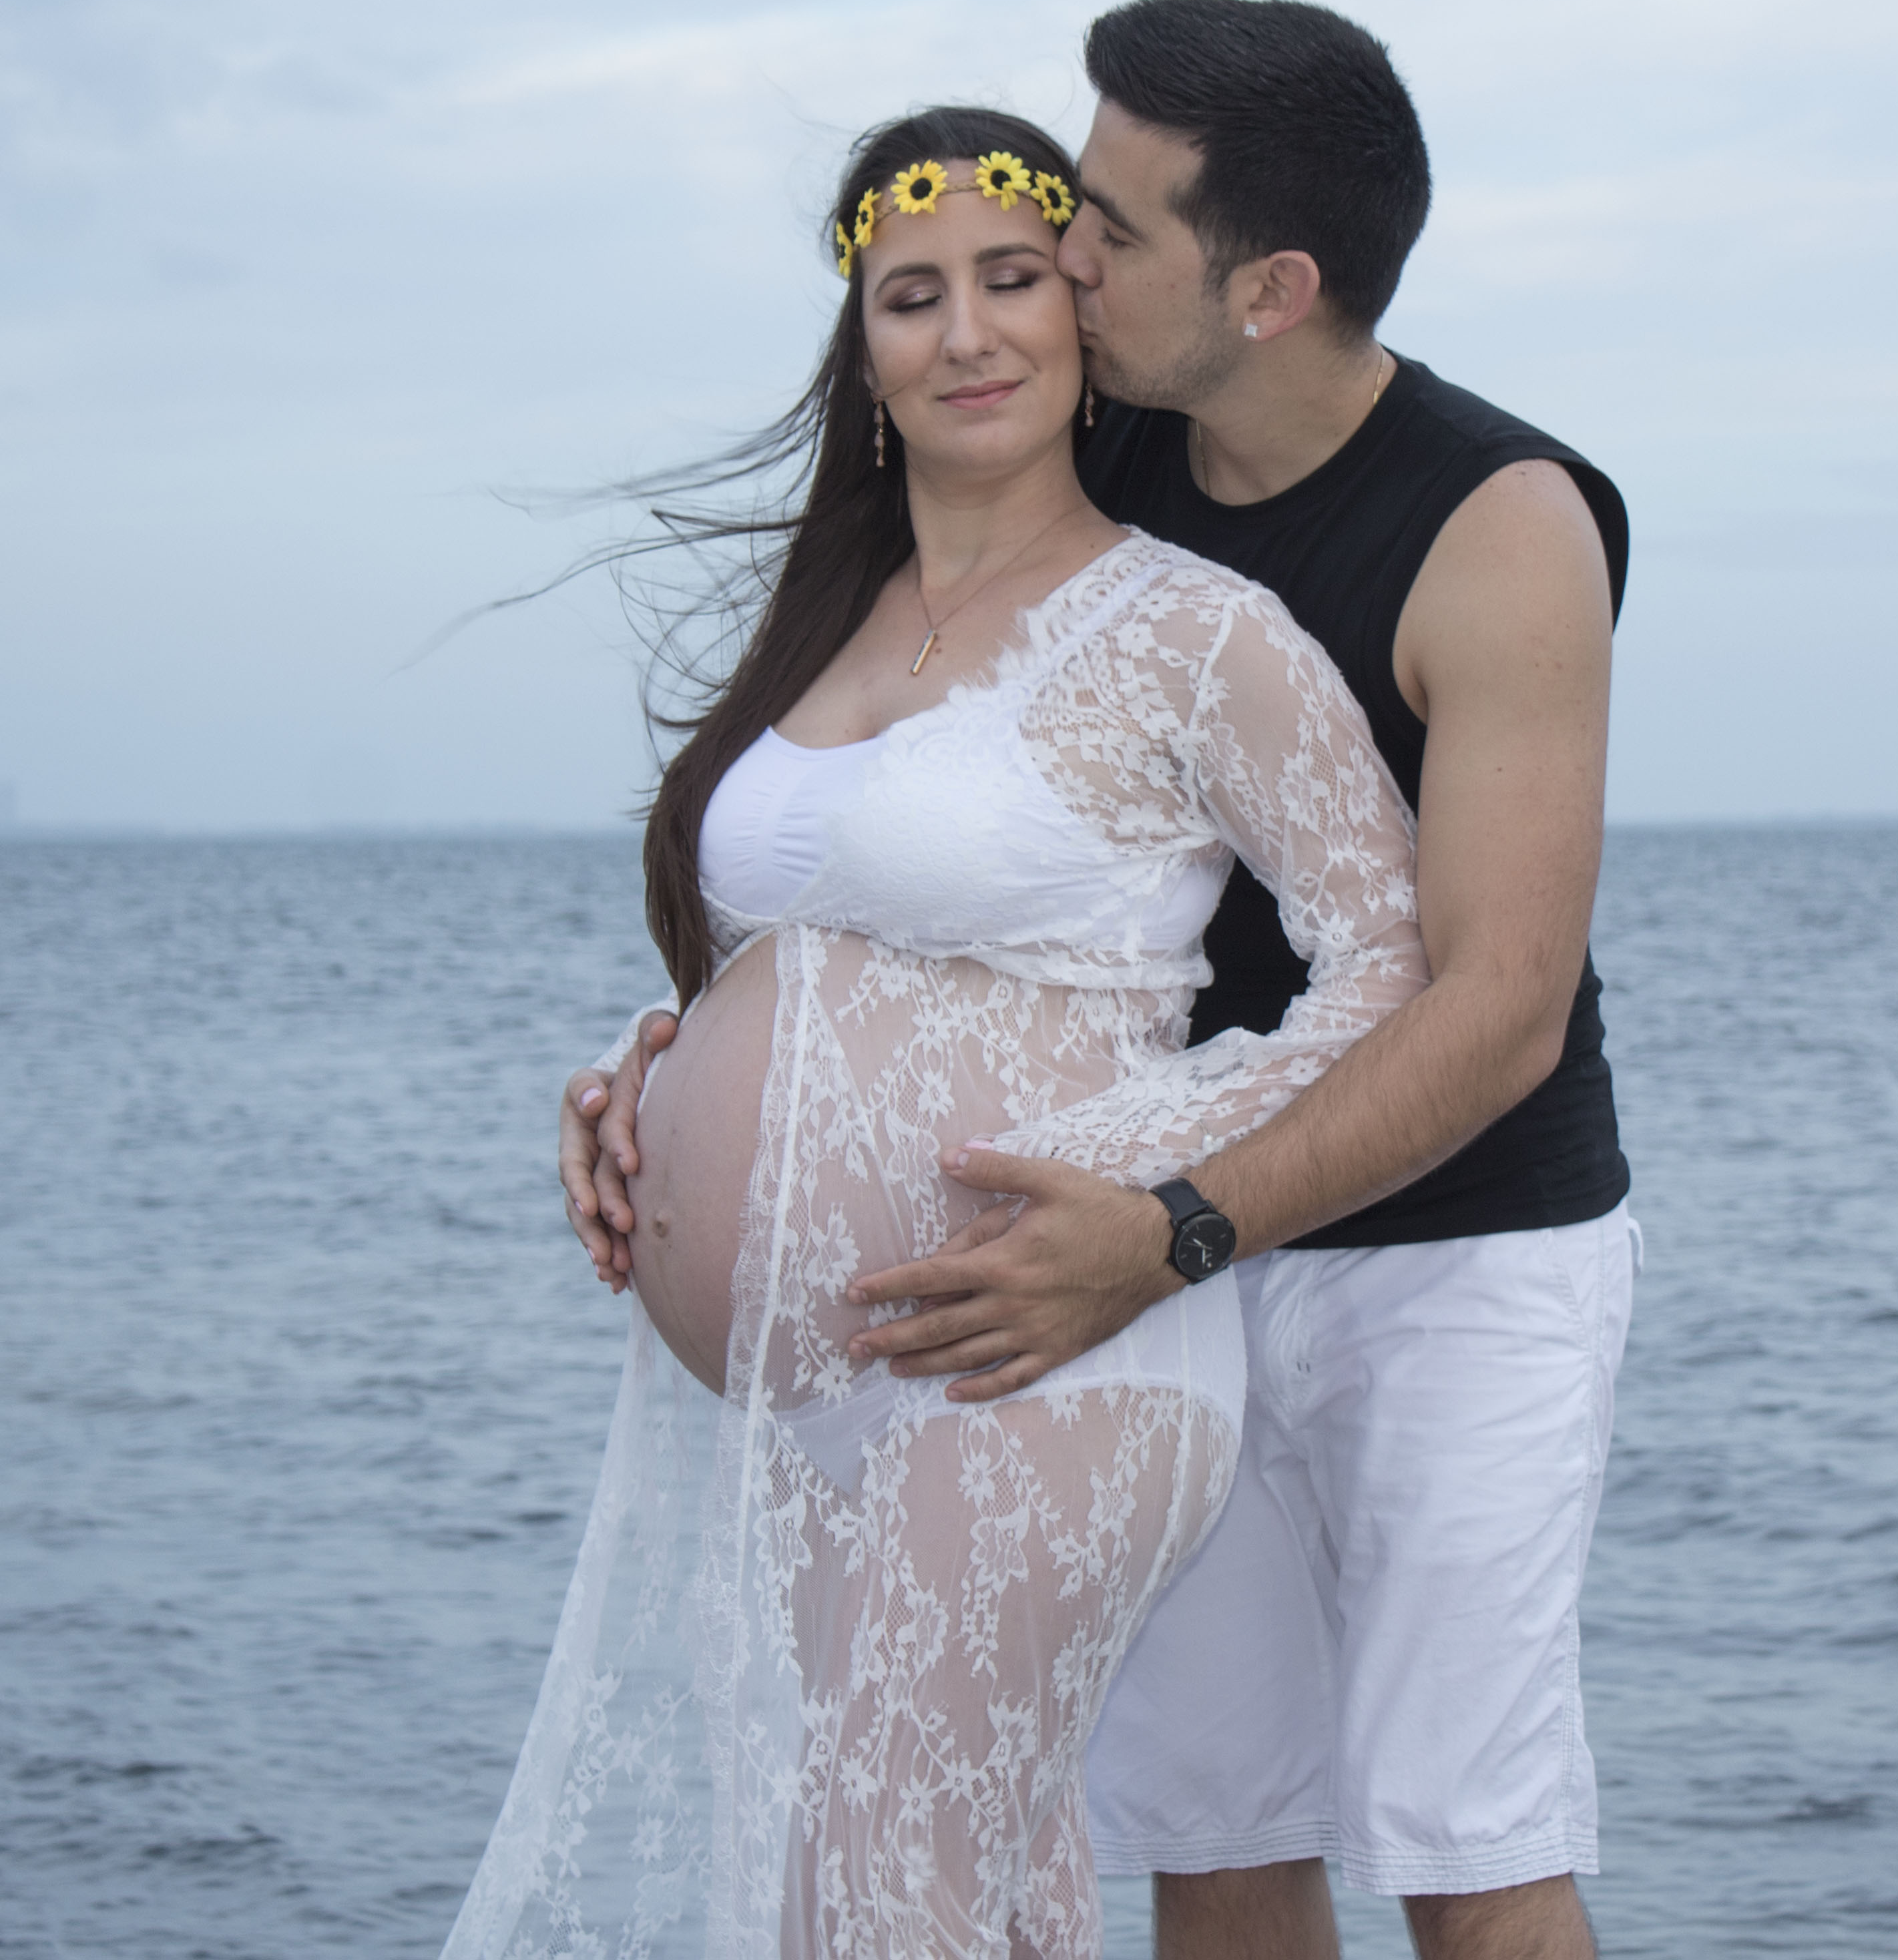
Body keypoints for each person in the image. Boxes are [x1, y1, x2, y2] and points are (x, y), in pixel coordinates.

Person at [566, 0, 1636, 1960]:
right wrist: (683, 1064)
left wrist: (1176, 1223)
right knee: (1213, 1837)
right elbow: (906, 870)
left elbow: (1496, 1007)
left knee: (1468, 1850)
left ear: (1270, 289)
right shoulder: (1092, 430)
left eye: (1106, 231)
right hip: (1113, 1260)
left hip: (1438, 1254)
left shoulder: (1497, 523)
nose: (1057, 264)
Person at [452, 105, 1429, 1959]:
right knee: (896, 1889)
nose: (966, 332)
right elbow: (814, 947)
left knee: (891, 1878)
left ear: (1083, 320)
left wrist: (1143, 1187)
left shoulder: (1196, 633)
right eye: (913, 297)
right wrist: (652, 1068)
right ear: (866, 350)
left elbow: (1393, 963)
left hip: (1038, 1346)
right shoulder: (827, 623)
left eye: (1011, 281)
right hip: (813, 1395)